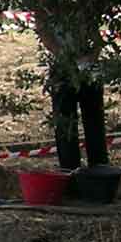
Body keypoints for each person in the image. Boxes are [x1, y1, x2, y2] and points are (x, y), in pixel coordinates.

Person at [34, 9, 107, 172]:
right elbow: (45, 35)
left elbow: (96, 36)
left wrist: (92, 56)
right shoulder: (44, 6)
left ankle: (100, 171)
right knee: (65, 124)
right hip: (62, 67)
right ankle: (70, 173)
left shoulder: (83, 4)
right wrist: (66, 58)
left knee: (95, 121)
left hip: (88, 65)